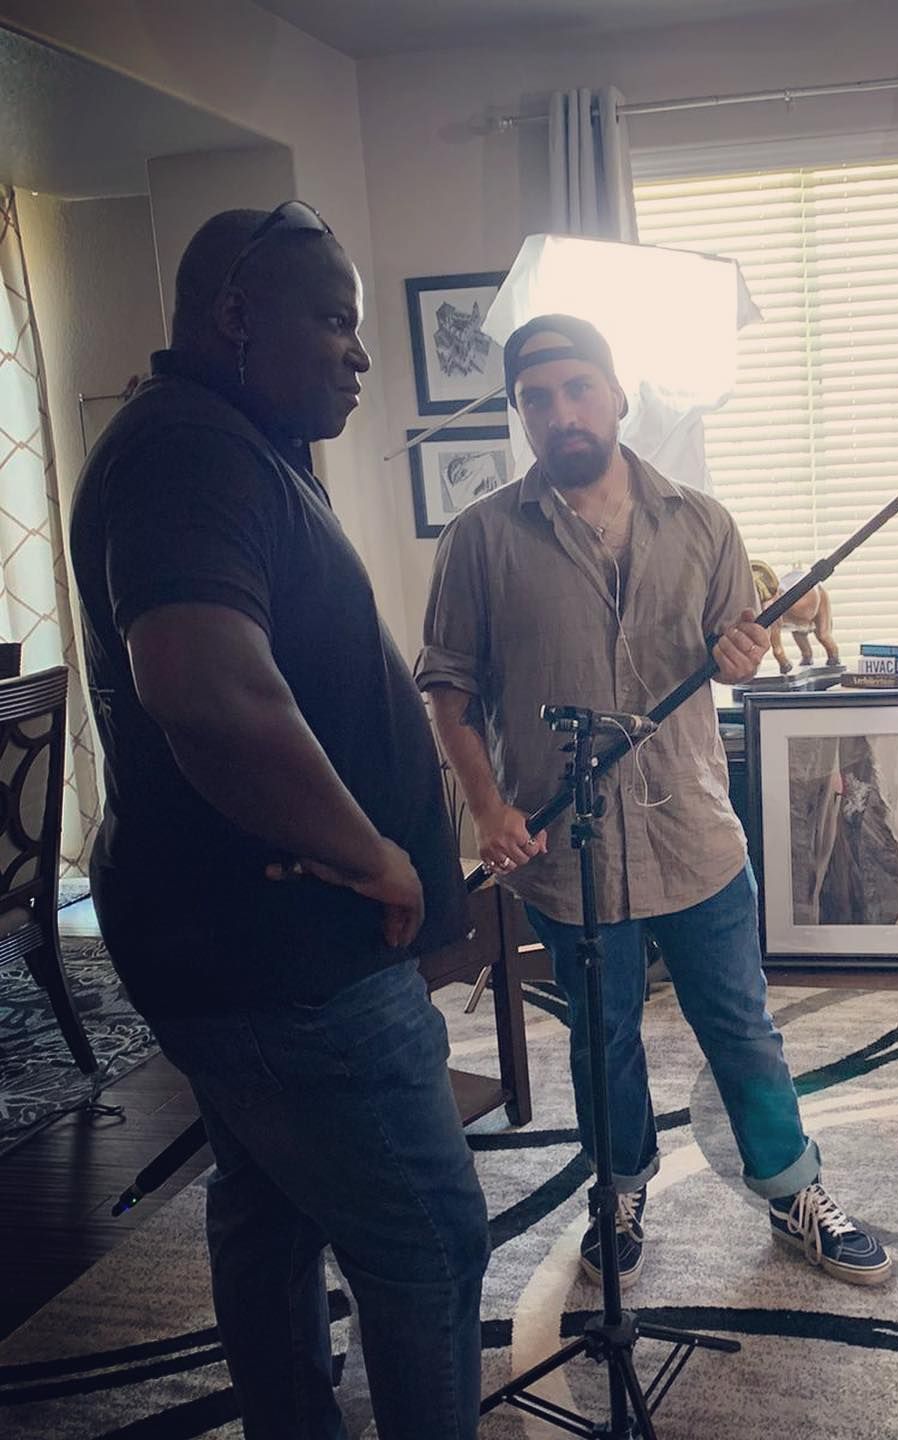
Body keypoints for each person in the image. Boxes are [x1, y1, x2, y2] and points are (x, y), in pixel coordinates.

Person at [68, 204, 489, 1440]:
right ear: (236, 318)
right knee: (429, 1242)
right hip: (288, 954)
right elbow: (202, 682)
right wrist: (372, 853)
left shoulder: (228, 443)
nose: (361, 356)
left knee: (270, 1204)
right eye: (336, 322)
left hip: (248, 943)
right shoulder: (188, 453)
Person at [417, 313, 890, 1290]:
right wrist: (489, 808)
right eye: (537, 399)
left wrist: (742, 649)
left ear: (618, 391)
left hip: (695, 836)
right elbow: (450, 693)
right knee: (603, 1035)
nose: (562, 413)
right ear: (521, 413)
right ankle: (619, 1187)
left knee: (742, 1027)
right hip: (565, 846)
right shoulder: (479, 541)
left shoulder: (706, 524)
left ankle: (792, 1188)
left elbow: (733, 646)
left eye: (578, 388)